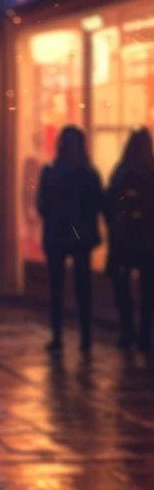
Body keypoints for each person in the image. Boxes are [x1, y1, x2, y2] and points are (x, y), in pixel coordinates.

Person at [36, 125, 104, 354]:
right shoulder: (88, 172)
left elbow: (42, 205)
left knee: (56, 290)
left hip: (56, 236)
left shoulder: (51, 171)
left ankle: (58, 336)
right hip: (80, 237)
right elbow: (98, 204)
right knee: (82, 288)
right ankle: (85, 338)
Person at [105, 127, 154, 352]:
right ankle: (143, 334)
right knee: (147, 290)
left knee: (124, 285)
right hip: (145, 241)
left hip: (126, 240)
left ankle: (129, 330)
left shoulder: (122, 171)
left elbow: (110, 203)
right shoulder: (148, 171)